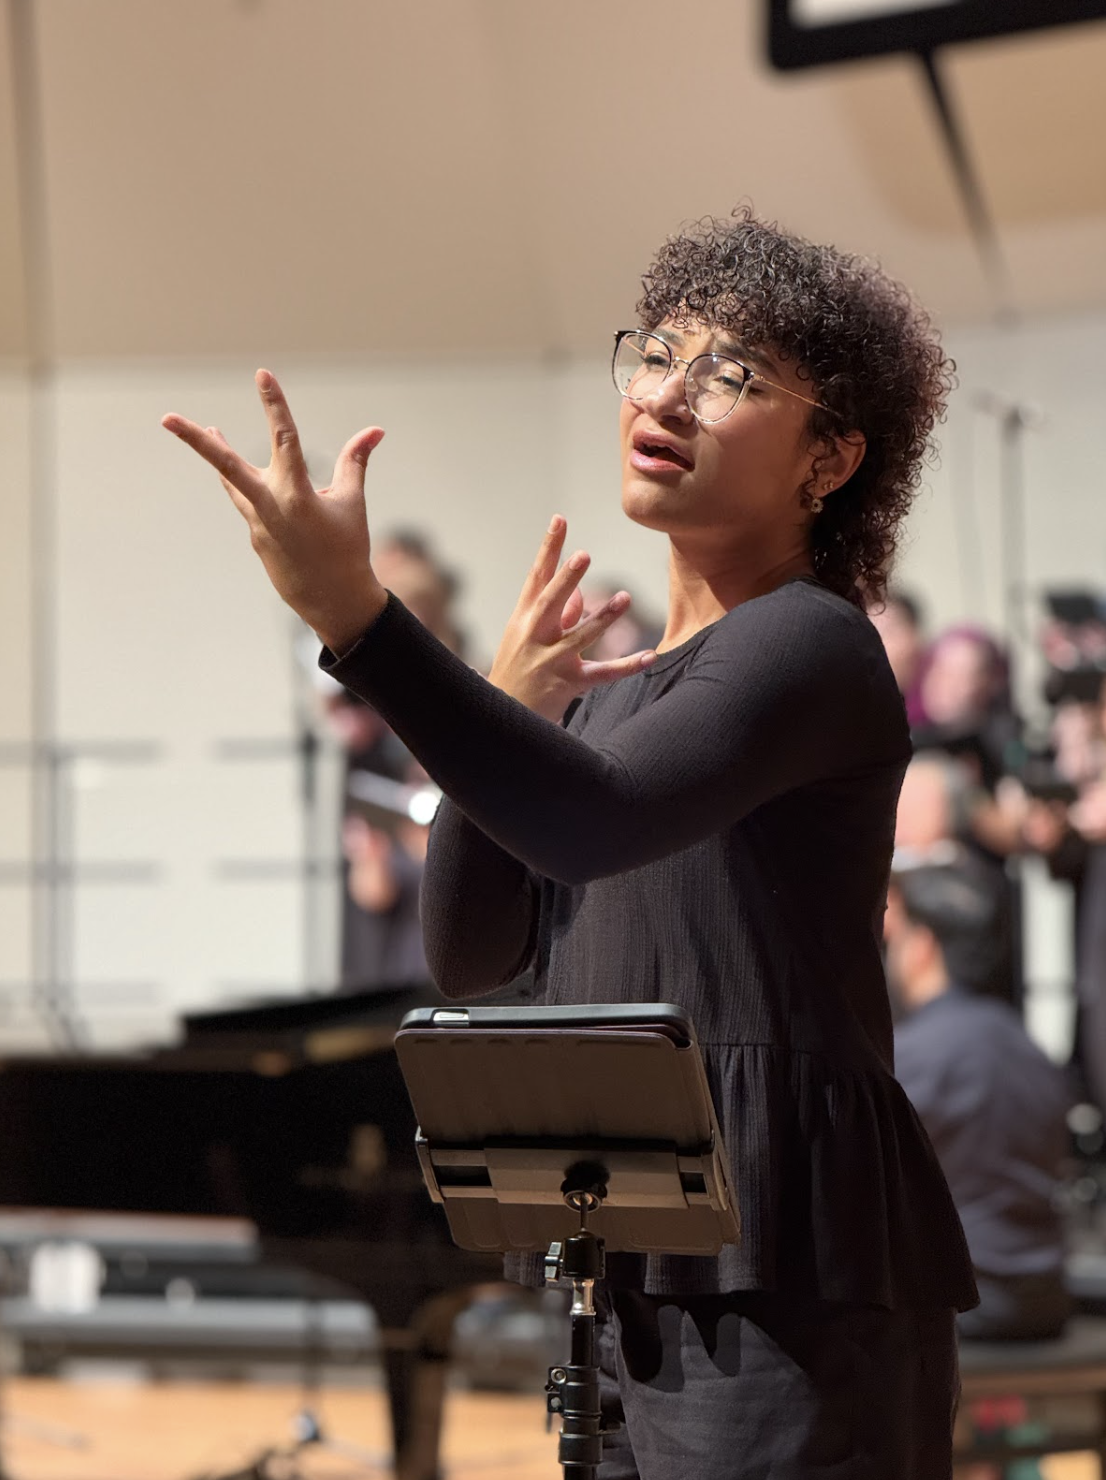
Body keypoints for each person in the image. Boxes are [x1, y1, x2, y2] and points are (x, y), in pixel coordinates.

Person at [163, 207, 975, 1479]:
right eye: (658, 353)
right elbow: (474, 951)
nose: (670, 391)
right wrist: (502, 704)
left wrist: (361, 624)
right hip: (631, 1258)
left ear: (829, 457)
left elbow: (588, 822)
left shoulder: (808, 642)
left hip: (787, 1267)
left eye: (733, 374)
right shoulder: (603, 694)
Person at [885, 863, 1072, 1342]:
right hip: (1048, 1291)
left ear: (922, 946)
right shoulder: (1028, 1046)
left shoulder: (918, 1053)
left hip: (970, 1301)